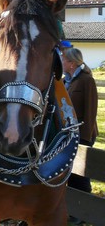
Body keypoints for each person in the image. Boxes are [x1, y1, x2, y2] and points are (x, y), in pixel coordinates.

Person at [62, 47, 99, 196]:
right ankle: (73, 207)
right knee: (70, 172)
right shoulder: (65, 81)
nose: (62, 62)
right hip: (68, 134)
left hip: (82, 134)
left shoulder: (86, 80)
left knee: (80, 173)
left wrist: (84, 138)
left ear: (71, 63)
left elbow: (91, 110)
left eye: (64, 60)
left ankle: (83, 210)